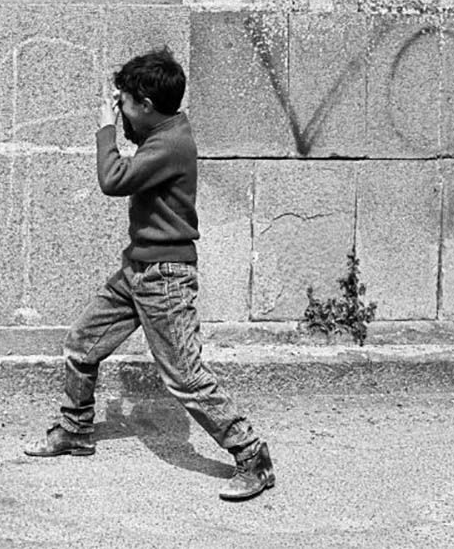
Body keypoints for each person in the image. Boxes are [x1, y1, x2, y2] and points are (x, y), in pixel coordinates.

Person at [23, 47, 275, 501]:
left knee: (185, 377)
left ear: (146, 105)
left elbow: (113, 180)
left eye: (124, 103)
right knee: (81, 345)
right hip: (137, 269)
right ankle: (75, 430)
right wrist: (121, 117)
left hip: (165, 277)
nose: (119, 109)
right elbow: (134, 154)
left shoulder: (171, 143)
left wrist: (105, 129)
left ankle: (252, 456)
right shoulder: (162, 130)